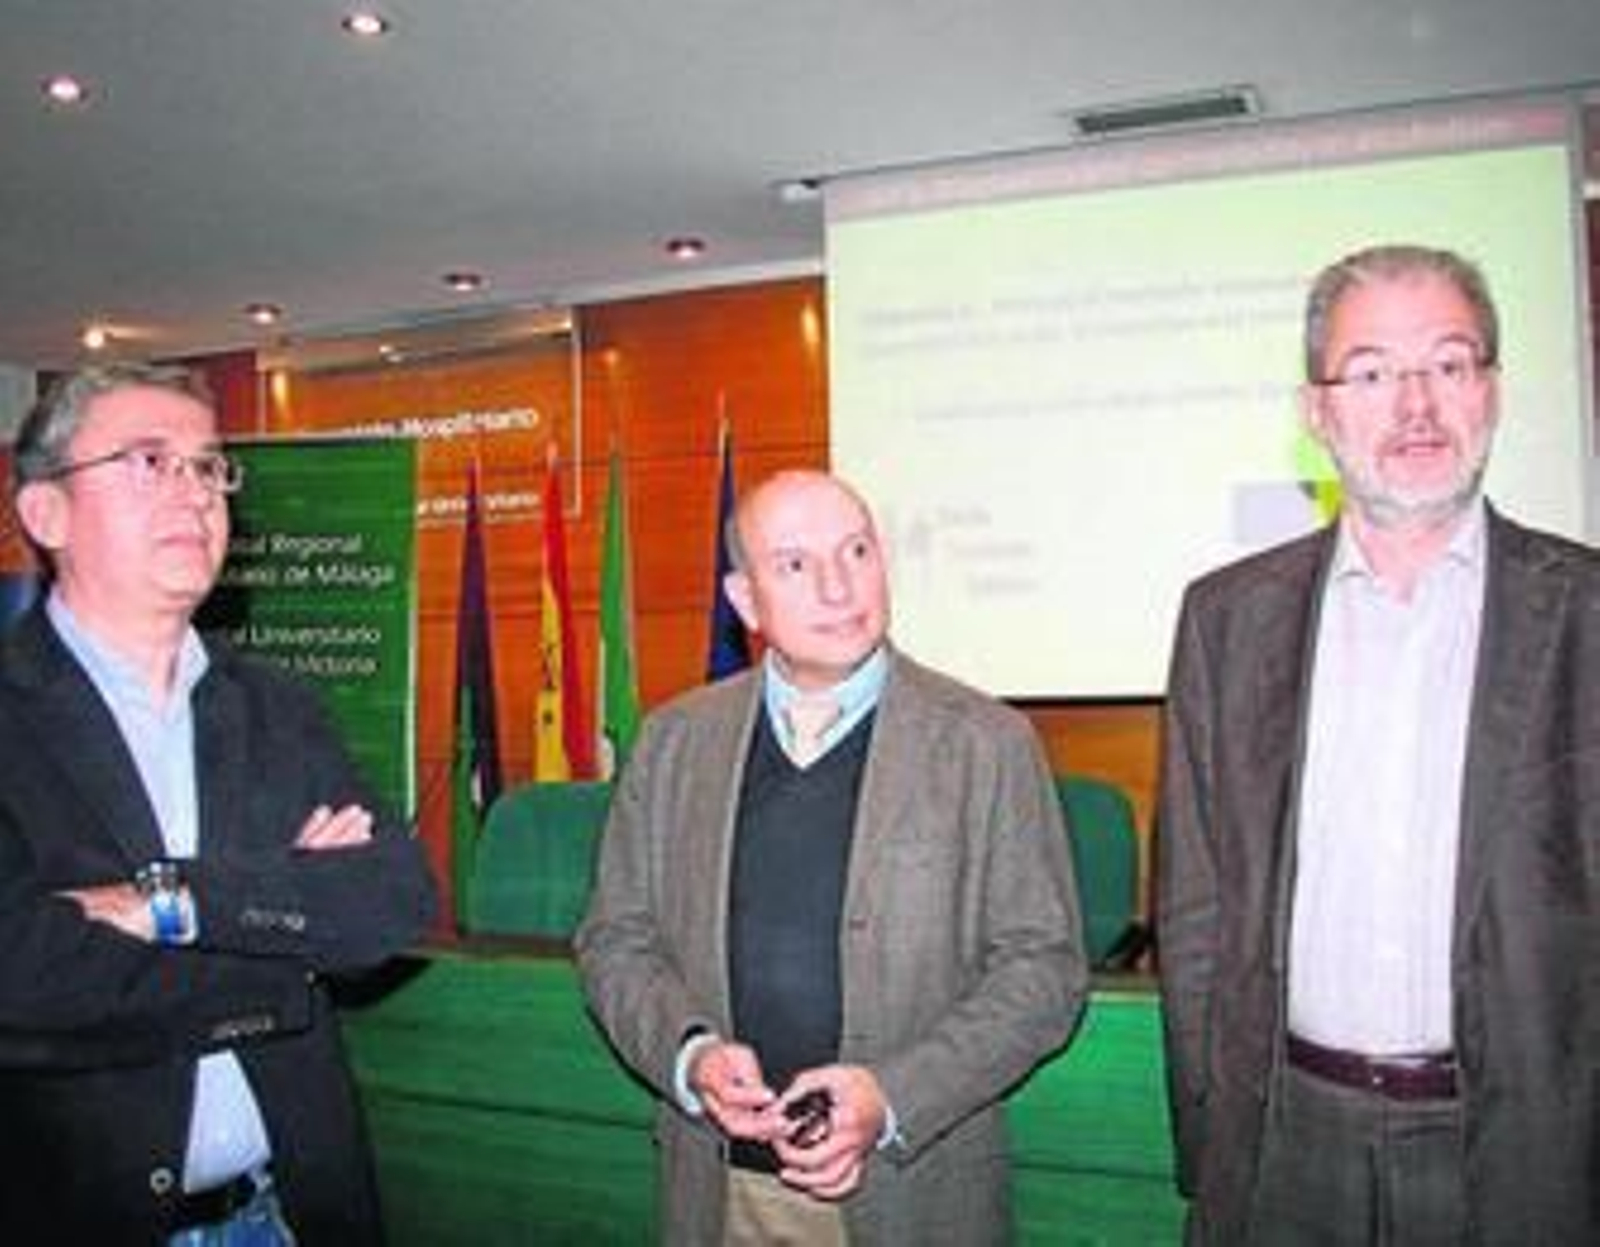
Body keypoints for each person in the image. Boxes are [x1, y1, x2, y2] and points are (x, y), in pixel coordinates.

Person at [1157, 243, 1598, 1244]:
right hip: (1281, 1146)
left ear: (1490, 390)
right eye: (1370, 372)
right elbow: (1195, 913)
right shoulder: (1226, 619)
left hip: (1531, 1152)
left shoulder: (1585, 610)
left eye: (1447, 363)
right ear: (1317, 410)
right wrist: (1213, 1136)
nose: (1414, 406)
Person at [576, 468, 1086, 1245]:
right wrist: (691, 1056)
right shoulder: (674, 742)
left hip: (913, 1193)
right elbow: (616, 939)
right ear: (745, 601)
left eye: (856, 550)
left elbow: (1044, 970)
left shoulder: (985, 744)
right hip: (719, 1190)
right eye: (794, 565)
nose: (838, 586)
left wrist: (893, 1096)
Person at [0, 362, 437, 1243]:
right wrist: (287, 946)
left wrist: (170, 903)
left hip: (288, 1212)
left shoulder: (278, 703)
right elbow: (22, 971)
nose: (195, 494)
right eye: (150, 461)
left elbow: (391, 901)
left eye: (208, 467)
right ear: (46, 513)